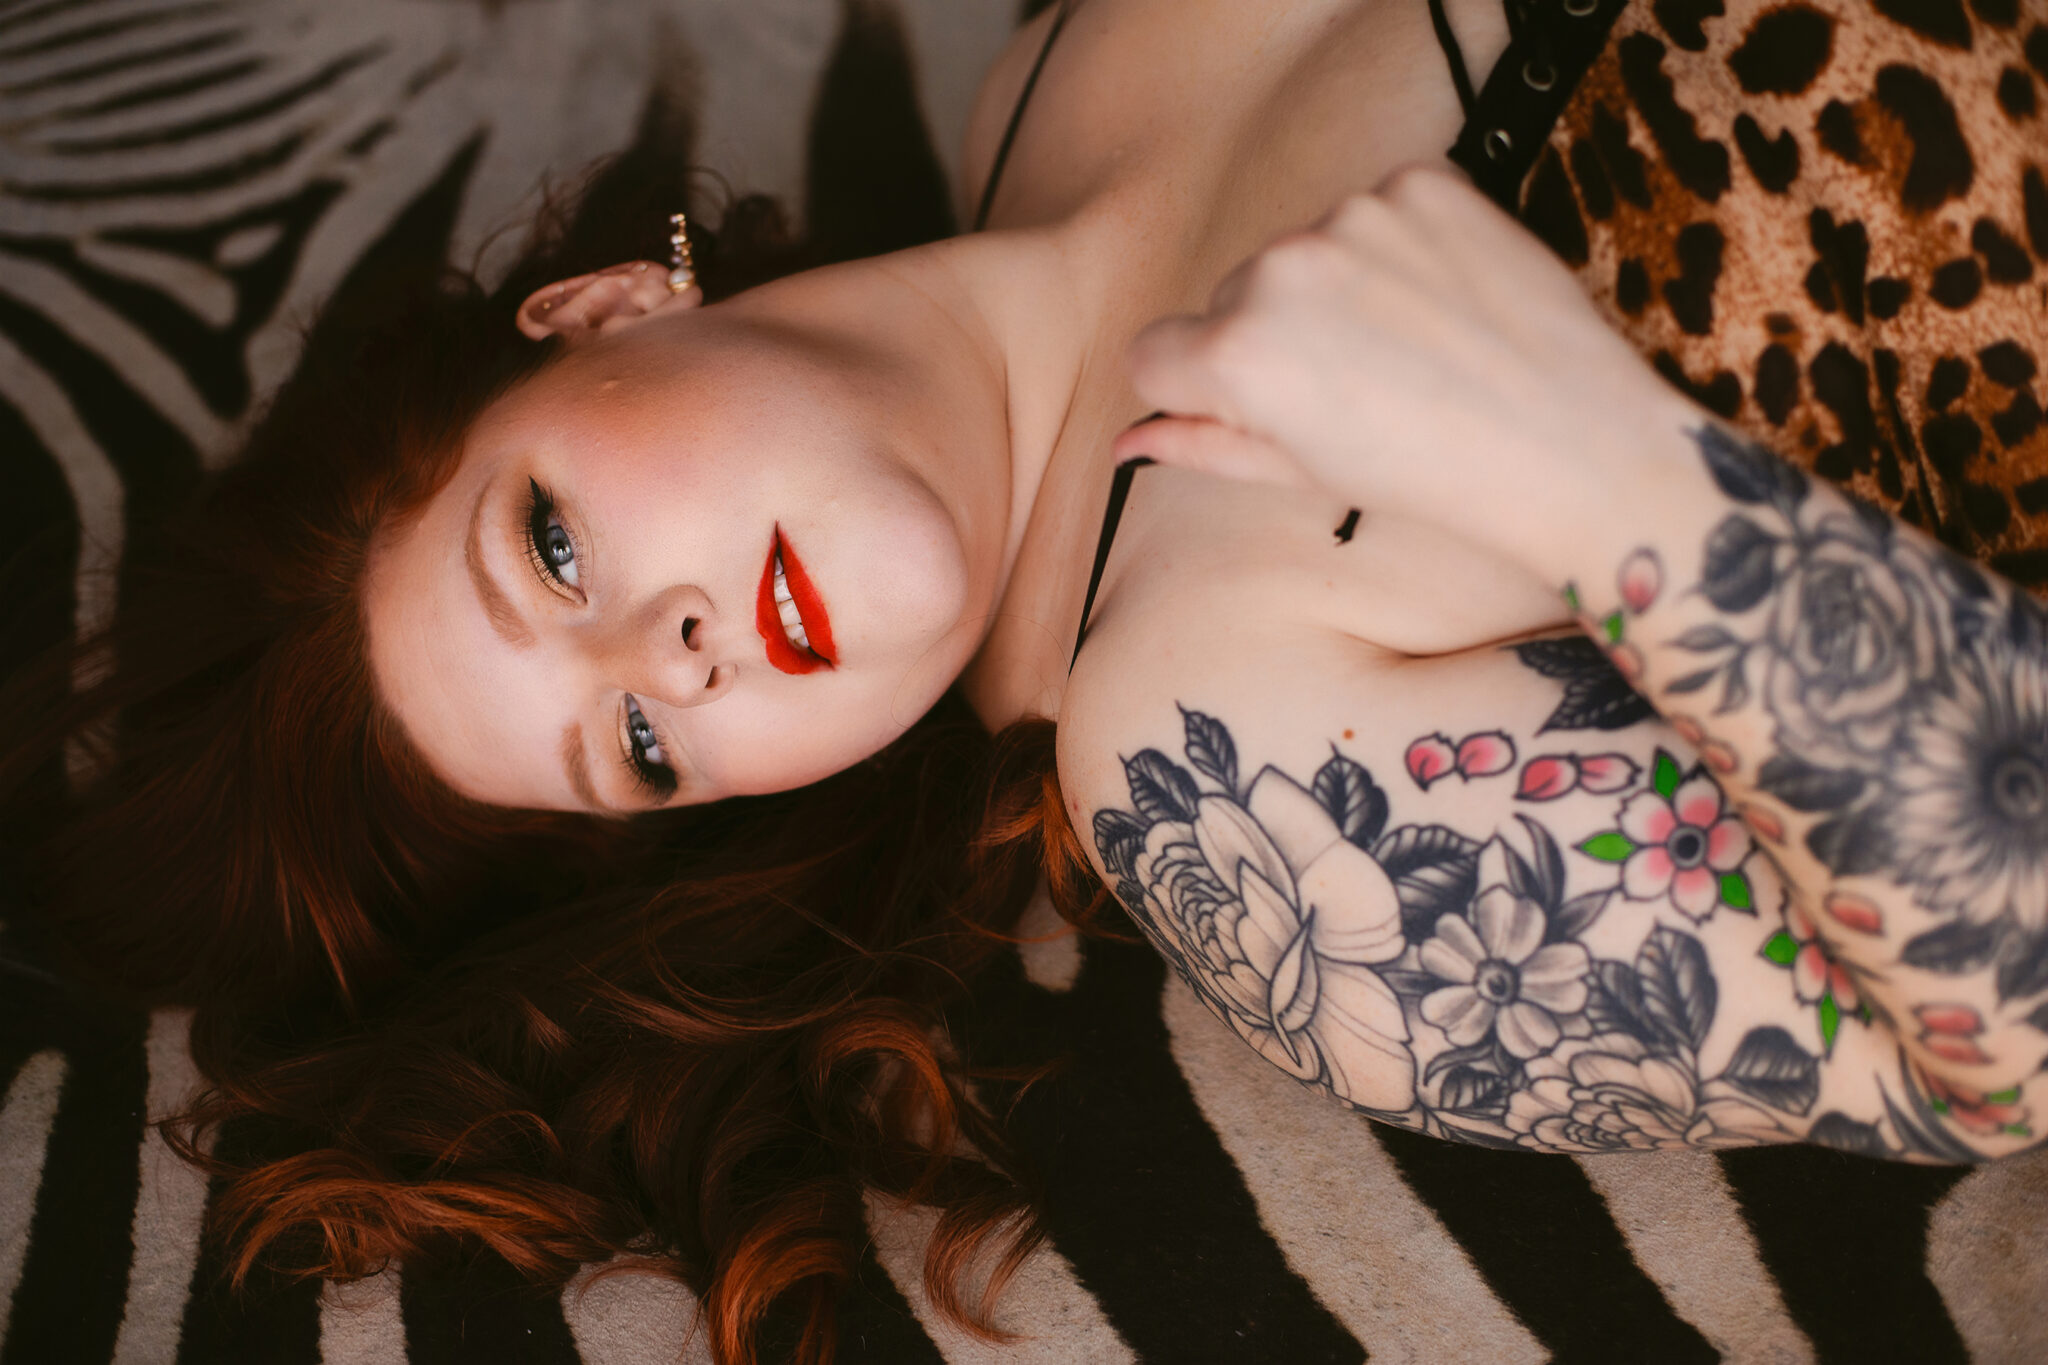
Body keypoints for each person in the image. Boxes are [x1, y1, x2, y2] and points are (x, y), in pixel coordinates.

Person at [6, 0, 2045, 1359]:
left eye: (548, 543)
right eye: (637, 746)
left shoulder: (1050, 61)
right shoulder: (1225, 761)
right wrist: (1605, 472)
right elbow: (2010, 1031)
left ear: (604, 308)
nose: (675, 654)